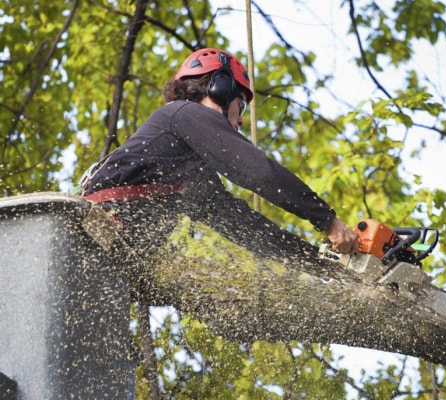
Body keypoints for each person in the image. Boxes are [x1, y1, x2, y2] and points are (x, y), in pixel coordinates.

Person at [81, 48, 359, 273]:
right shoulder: (183, 113)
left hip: (108, 261)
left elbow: (245, 227)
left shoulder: (191, 175)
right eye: (242, 105)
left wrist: (322, 266)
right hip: (92, 234)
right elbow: (259, 173)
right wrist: (328, 220)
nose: (240, 120)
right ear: (219, 88)